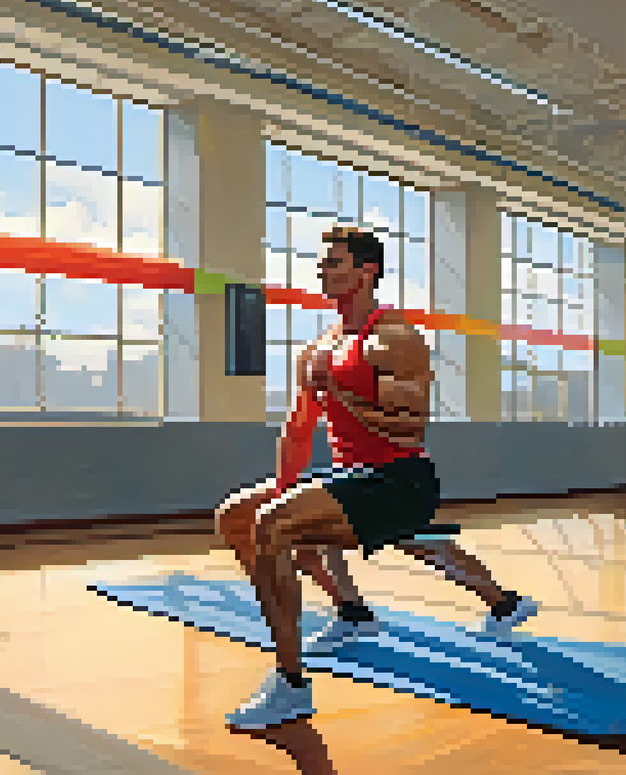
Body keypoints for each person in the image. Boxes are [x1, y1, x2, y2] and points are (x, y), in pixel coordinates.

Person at [214, 226, 538, 730]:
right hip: (350, 479)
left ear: (367, 272)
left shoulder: (393, 339)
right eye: (322, 262)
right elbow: (298, 428)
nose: (322, 270)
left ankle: (291, 686)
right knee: (238, 516)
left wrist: (343, 395)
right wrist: (283, 488)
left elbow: (411, 426)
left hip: (399, 480)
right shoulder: (318, 349)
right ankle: (354, 613)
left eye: (334, 263)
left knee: (277, 526)